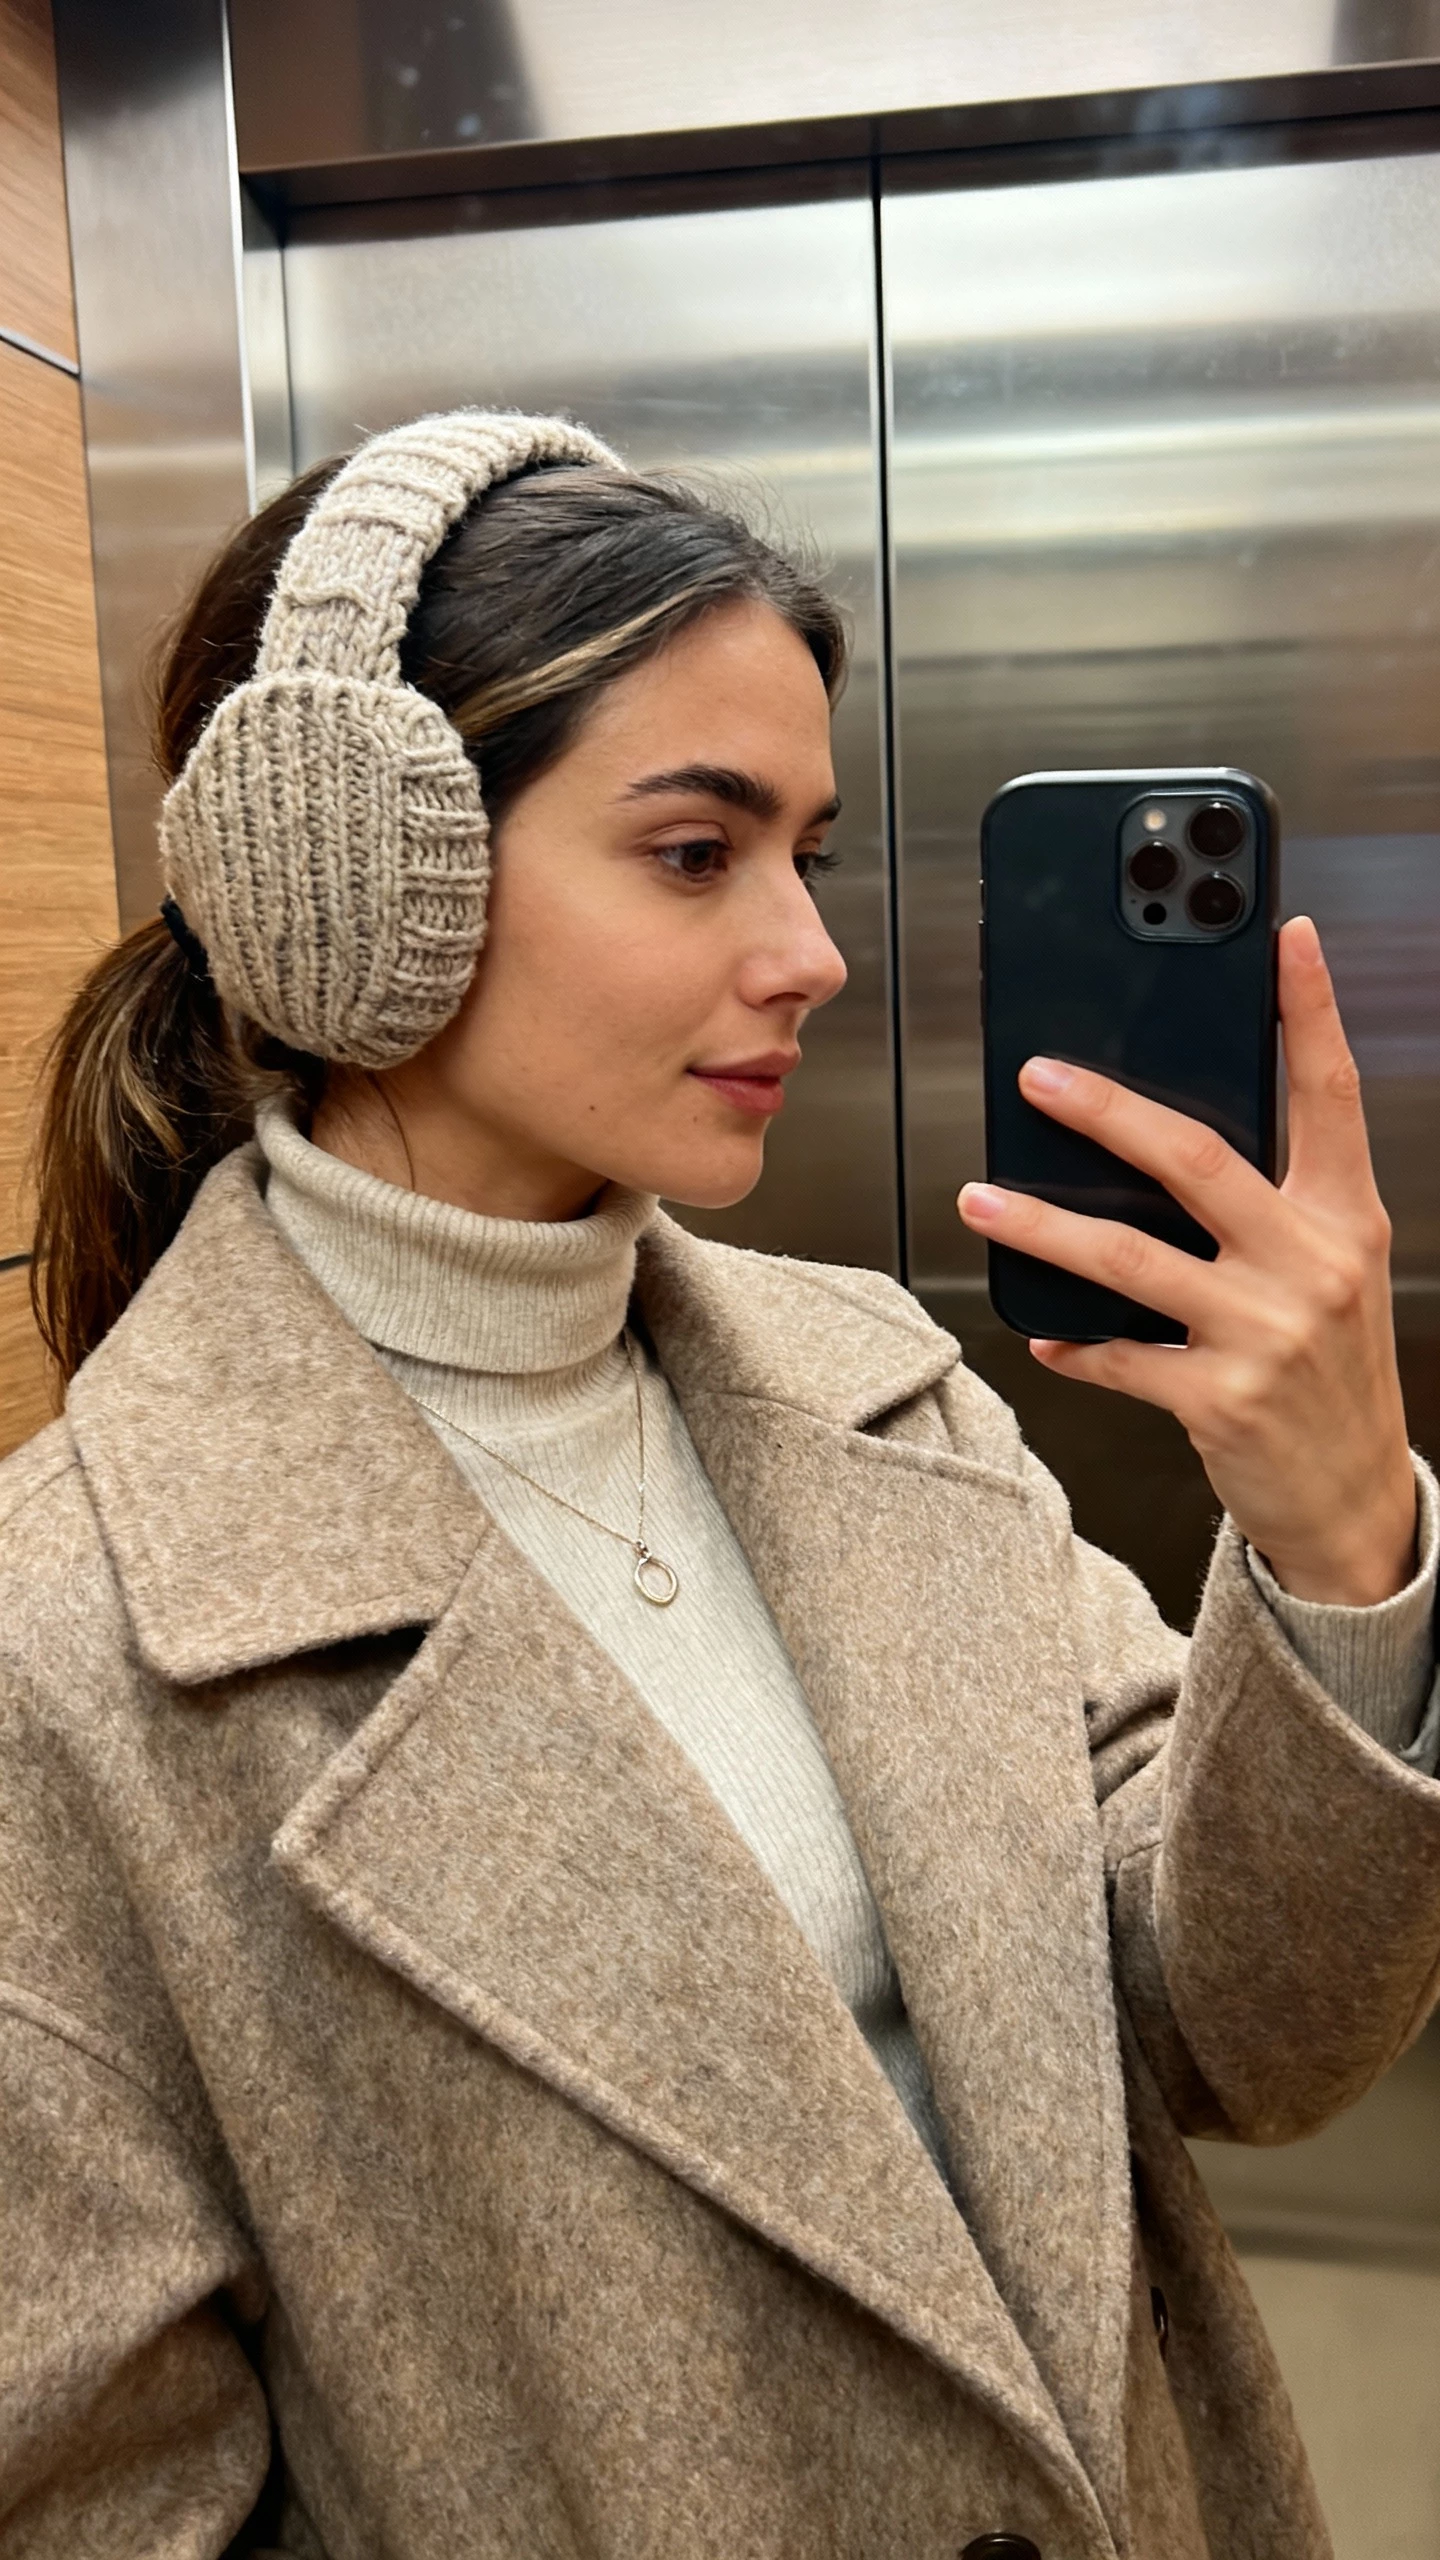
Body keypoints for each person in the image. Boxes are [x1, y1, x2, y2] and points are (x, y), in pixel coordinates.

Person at [2, 407, 1438, 2560]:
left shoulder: (881, 1391)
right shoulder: (69, 1651)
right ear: (356, 882)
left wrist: (1338, 1545)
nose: (813, 949)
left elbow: (1241, 2032)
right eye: (699, 850)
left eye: (808, 846)